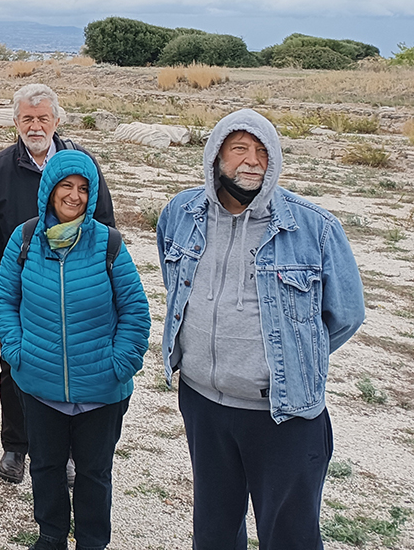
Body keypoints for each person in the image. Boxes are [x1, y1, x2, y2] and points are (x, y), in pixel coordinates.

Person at [156, 109, 365, 550]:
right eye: (239, 149)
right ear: (216, 156)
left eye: (262, 152)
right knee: (214, 534)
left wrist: (293, 357)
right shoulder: (181, 213)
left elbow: (345, 314)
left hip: (281, 414)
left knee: (290, 537)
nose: (251, 161)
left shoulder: (315, 227)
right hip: (203, 403)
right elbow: (175, 283)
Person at [0, 83, 116, 485]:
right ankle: (16, 446)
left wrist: (106, 287)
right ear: (15, 122)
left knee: (69, 369)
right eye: (27, 118)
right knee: (14, 366)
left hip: (78, 291)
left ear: (56, 120)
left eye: (43, 118)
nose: (35, 126)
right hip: (19, 291)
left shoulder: (82, 164)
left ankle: (65, 454)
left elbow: (107, 227)